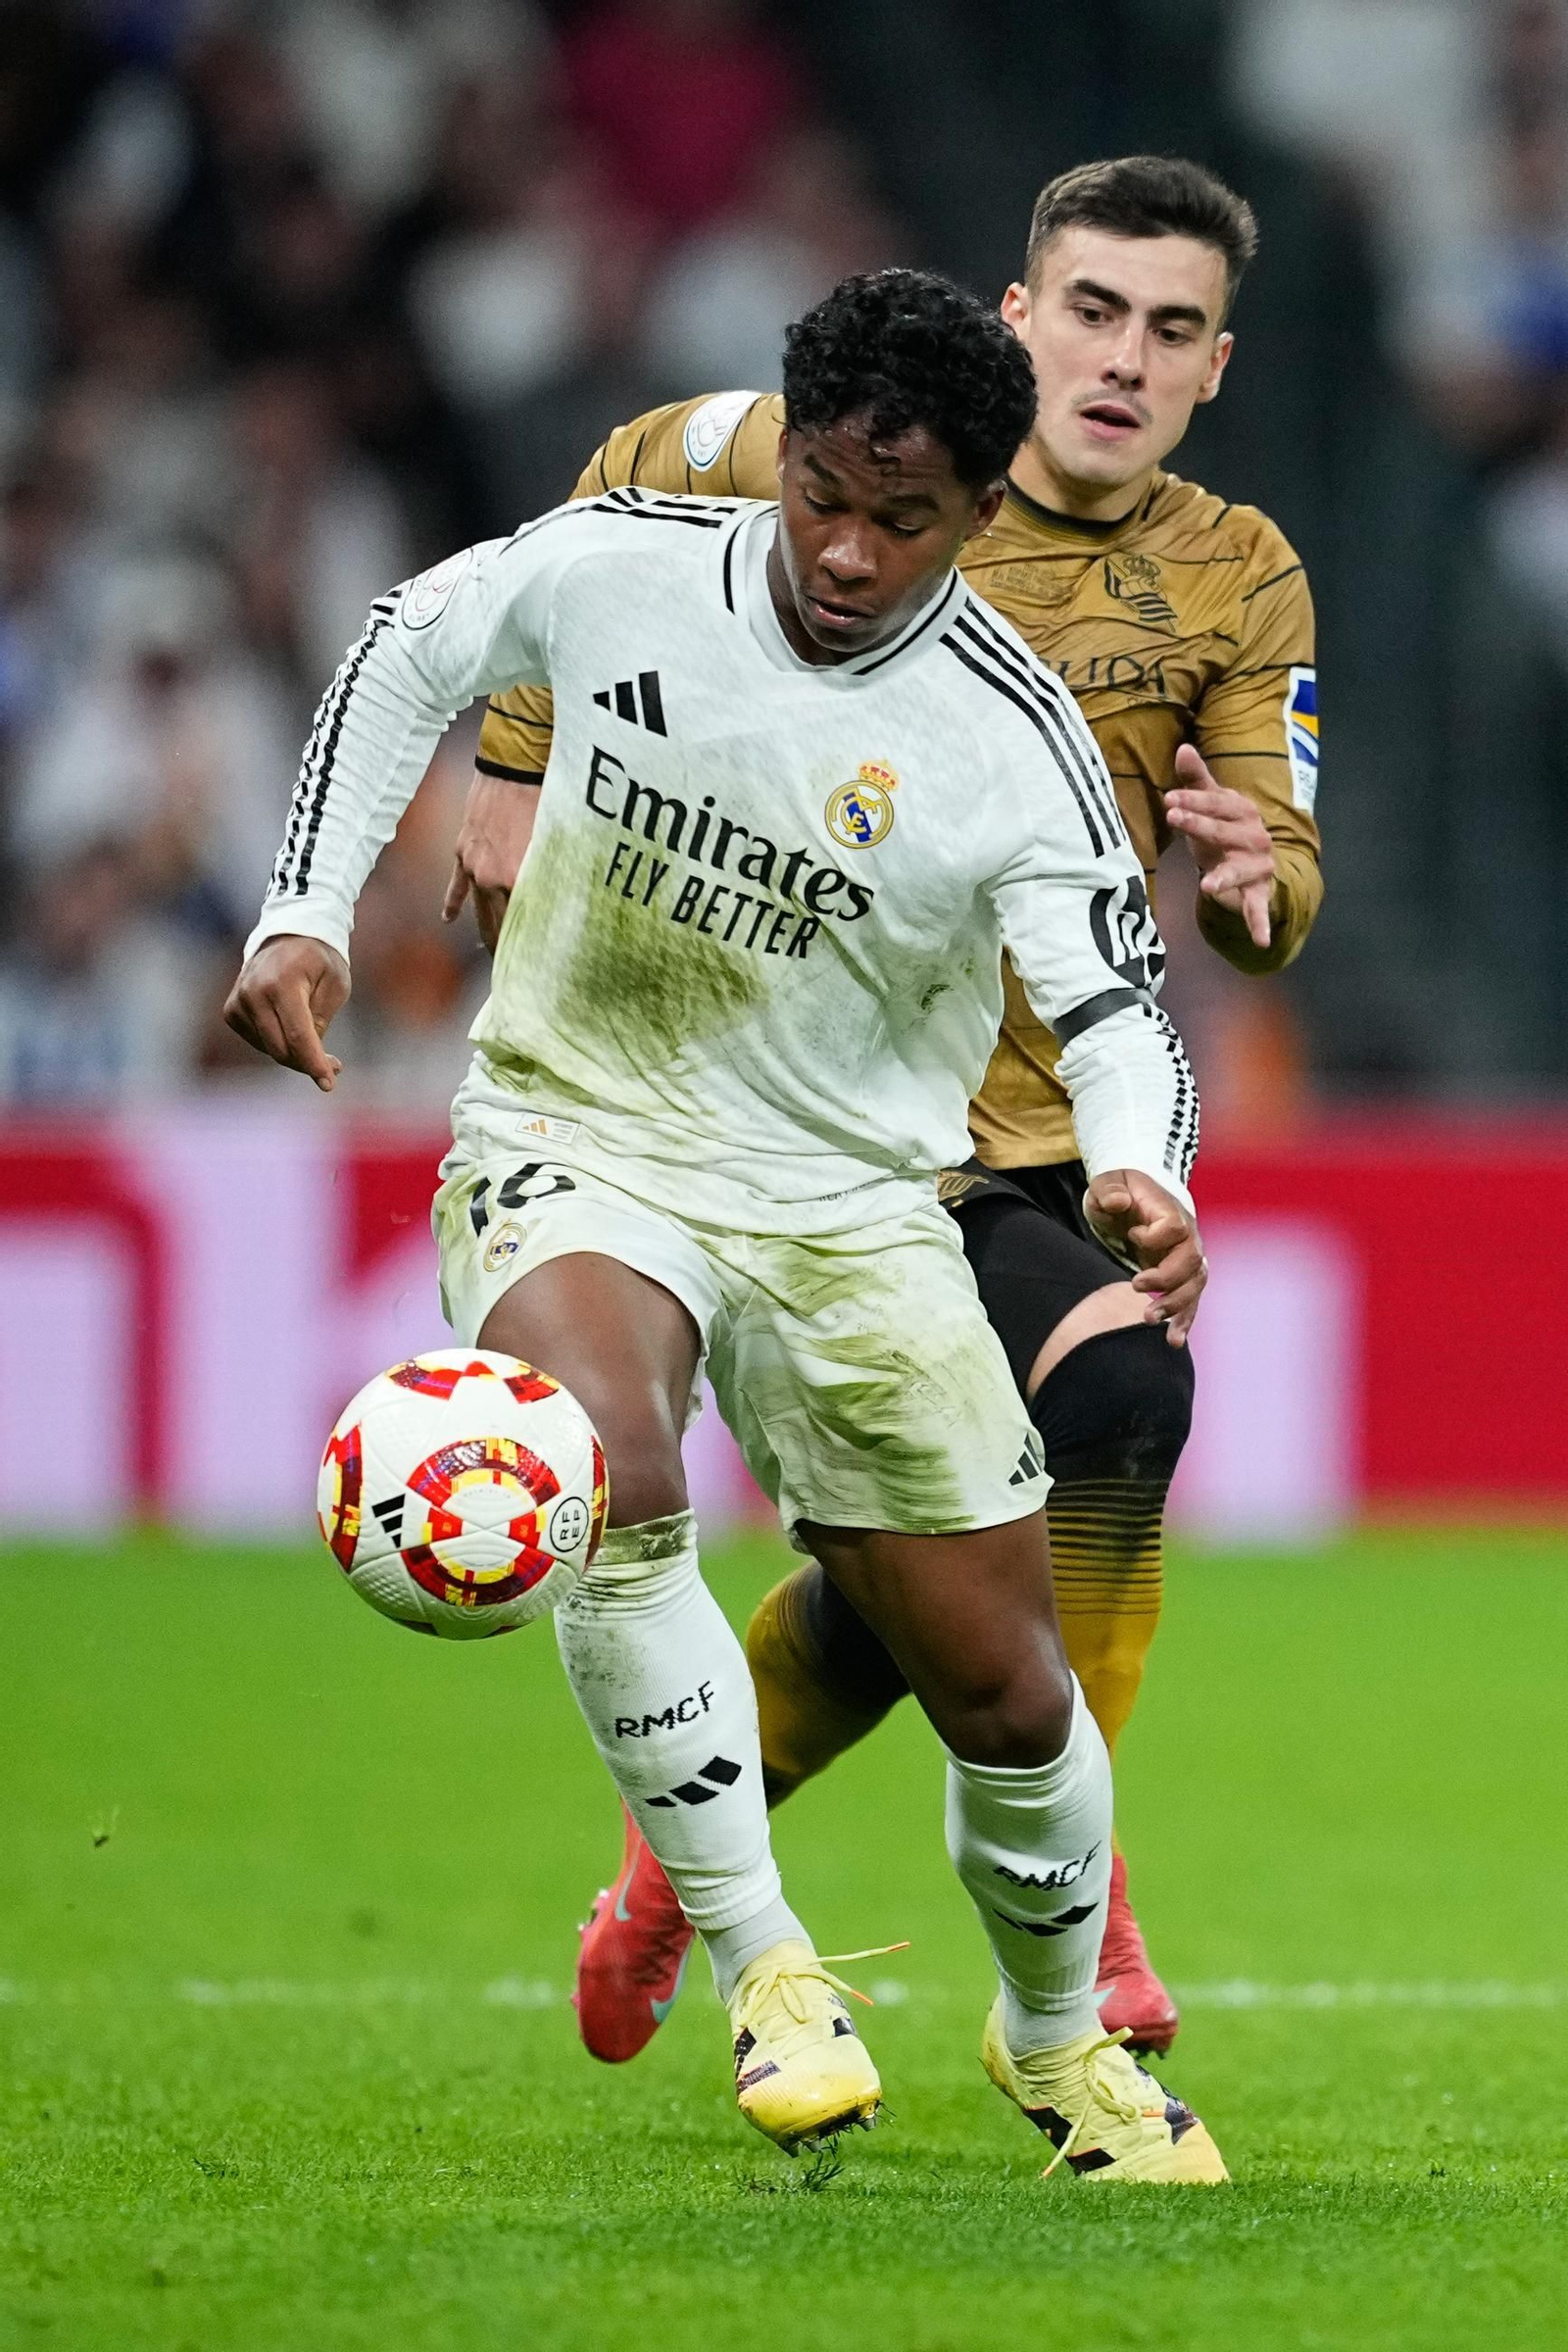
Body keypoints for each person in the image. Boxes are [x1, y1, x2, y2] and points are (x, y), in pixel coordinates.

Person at [226, 269, 1225, 2184]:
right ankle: (766, 1964)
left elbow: (1115, 1008)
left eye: (901, 520)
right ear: (790, 455)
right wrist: (302, 910)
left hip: (853, 1208)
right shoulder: (622, 566)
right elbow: (406, 641)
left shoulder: (1010, 737)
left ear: (979, 509)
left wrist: (1139, 1165)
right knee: (605, 1467)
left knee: (1009, 1693)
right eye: (823, 494)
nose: (845, 551)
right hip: (579, 1130)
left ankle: (1053, 2041)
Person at [445, 154, 1323, 2066]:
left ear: (1214, 365)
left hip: (1030, 1133)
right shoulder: (854, 456)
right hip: (804, 1115)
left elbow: (1275, 881)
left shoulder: (1237, 572)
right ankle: (1067, 1921)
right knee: (1048, 1444)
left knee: (1062, 1447)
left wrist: (1259, 885)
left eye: (1169, 328)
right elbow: (612, 480)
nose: (1124, 356)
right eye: (1092, 310)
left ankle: (688, 1852)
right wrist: (513, 754)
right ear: (1021, 319)